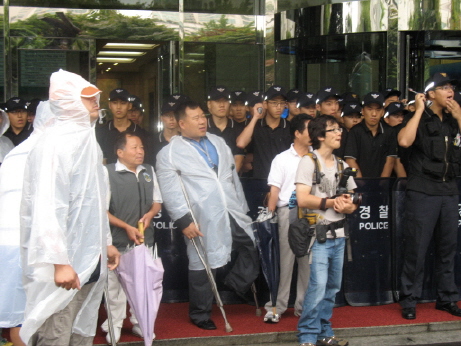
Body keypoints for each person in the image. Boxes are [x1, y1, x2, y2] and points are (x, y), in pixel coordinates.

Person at [19, 69, 120, 345]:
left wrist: (105, 243)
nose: (96, 103)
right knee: (56, 333)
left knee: (79, 332)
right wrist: (59, 262)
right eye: (88, 98)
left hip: (88, 258)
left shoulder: (88, 140)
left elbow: (94, 202)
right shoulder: (55, 143)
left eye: (95, 97)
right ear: (68, 102)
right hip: (64, 267)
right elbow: (47, 207)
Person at [156, 100, 259, 330]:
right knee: (202, 263)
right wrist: (184, 220)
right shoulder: (169, 153)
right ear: (182, 123)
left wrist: (242, 207)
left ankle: (235, 284)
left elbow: (232, 177)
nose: (202, 121)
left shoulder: (219, 142)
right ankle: (200, 313)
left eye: (203, 116)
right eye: (196, 118)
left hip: (231, 209)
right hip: (202, 215)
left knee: (252, 245)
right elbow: (170, 190)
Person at [398, 72, 461, 320]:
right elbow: (404, 141)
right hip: (423, 190)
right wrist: (418, 110)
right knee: (417, 248)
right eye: (444, 88)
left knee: (448, 248)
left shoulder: (454, 119)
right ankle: (409, 300)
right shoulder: (419, 118)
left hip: (448, 190)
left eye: (452, 88)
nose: (451, 92)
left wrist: (459, 115)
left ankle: (446, 298)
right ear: (431, 93)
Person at [296, 115, 357, 346]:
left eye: (339, 128)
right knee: (318, 285)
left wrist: (350, 205)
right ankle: (307, 335)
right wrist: (332, 203)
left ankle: (323, 332)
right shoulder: (308, 162)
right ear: (320, 136)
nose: (339, 132)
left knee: (332, 287)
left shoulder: (342, 164)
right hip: (318, 235)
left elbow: (354, 197)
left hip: (339, 234)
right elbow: (302, 199)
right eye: (333, 129)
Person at [0, 101, 54, 346]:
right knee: (23, 316)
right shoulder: (40, 154)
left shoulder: (12, 150)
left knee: (23, 315)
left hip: (17, 243)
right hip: (24, 245)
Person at [101, 131, 162, 343]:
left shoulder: (148, 171)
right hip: (117, 241)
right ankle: (114, 325)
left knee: (144, 284)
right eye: (135, 147)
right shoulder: (107, 173)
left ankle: (140, 323)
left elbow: (157, 201)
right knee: (115, 289)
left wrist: (151, 214)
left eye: (142, 148)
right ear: (120, 152)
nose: (140, 151)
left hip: (145, 239)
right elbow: (102, 211)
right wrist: (126, 226)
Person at [264, 113, 313, 323]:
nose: (315, 134)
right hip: (287, 213)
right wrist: (270, 215)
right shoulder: (282, 158)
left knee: (308, 265)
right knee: (284, 263)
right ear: (297, 133)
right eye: (310, 129)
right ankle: (275, 308)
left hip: (312, 215)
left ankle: (304, 308)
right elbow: (274, 191)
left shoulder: (317, 157)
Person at [236, 85, 292, 180]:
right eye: (274, 103)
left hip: (283, 181)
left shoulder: (290, 126)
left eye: (282, 103)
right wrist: (255, 117)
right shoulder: (256, 125)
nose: (278, 107)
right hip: (259, 180)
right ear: (265, 104)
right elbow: (241, 143)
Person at [344, 92, 397, 177]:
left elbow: (390, 160)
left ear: (383, 112)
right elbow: (350, 160)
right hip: (359, 183)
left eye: (378, 110)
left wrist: (381, 183)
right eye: (370, 109)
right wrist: (361, 183)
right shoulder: (355, 131)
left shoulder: (389, 131)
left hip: (382, 183)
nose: (374, 114)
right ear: (362, 111)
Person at [96, 88, 148, 164]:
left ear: (129, 106)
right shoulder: (100, 133)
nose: (118, 107)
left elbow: (146, 163)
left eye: (123, 103)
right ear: (110, 105)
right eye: (114, 103)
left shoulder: (142, 134)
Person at [206, 86, 245, 171]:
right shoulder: (202, 126)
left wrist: (229, 179)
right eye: (217, 101)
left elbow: (239, 158)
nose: (222, 105)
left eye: (225, 101)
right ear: (209, 104)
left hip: (230, 180)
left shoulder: (237, 128)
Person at [149, 94, 185, 166]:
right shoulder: (151, 141)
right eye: (167, 115)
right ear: (161, 118)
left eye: (174, 115)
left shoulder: (186, 139)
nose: (171, 119)